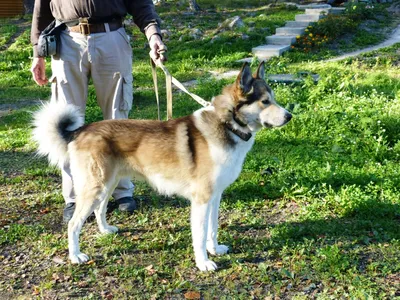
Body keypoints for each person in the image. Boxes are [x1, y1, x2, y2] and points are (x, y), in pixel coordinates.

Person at [30, 0, 167, 223]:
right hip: (66, 40)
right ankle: (75, 197)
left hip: (111, 37)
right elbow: (41, 8)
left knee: (118, 119)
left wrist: (154, 36)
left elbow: (141, 4)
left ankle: (122, 192)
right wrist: (38, 53)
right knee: (67, 125)